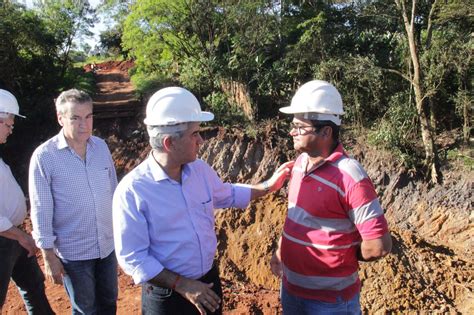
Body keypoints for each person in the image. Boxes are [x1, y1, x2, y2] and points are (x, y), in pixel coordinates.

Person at [112, 86, 293, 315]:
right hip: (169, 297)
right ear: (169, 143)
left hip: (208, 284)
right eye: (194, 134)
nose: (201, 140)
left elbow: (227, 194)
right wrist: (183, 285)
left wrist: (269, 186)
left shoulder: (198, 170)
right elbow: (132, 257)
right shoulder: (133, 190)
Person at [271, 80, 392, 314]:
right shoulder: (299, 165)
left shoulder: (350, 176)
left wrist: (342, 255)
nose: (291, 132)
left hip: (330, 304)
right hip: (291, 291)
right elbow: (296, 218)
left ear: (326, 131)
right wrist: (280, 249)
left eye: (299, 126)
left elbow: (378, 245)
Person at [29, 89, 118, 314]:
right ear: (60, 118)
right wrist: (48, 255)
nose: (84, 125)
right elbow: (41, 208)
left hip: (107, 246)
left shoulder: (101, 147)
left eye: (88, 116)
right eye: (75, 118)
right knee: (85, 309)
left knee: (109, 303)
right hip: (74, 254)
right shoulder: (45, 157)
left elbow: (114, 190)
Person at [0, 89, 55, 314]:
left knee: (33, 284)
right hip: (5, 238)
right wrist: (21, 236)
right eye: (9, 125)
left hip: (13, 236)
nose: (11, 131)